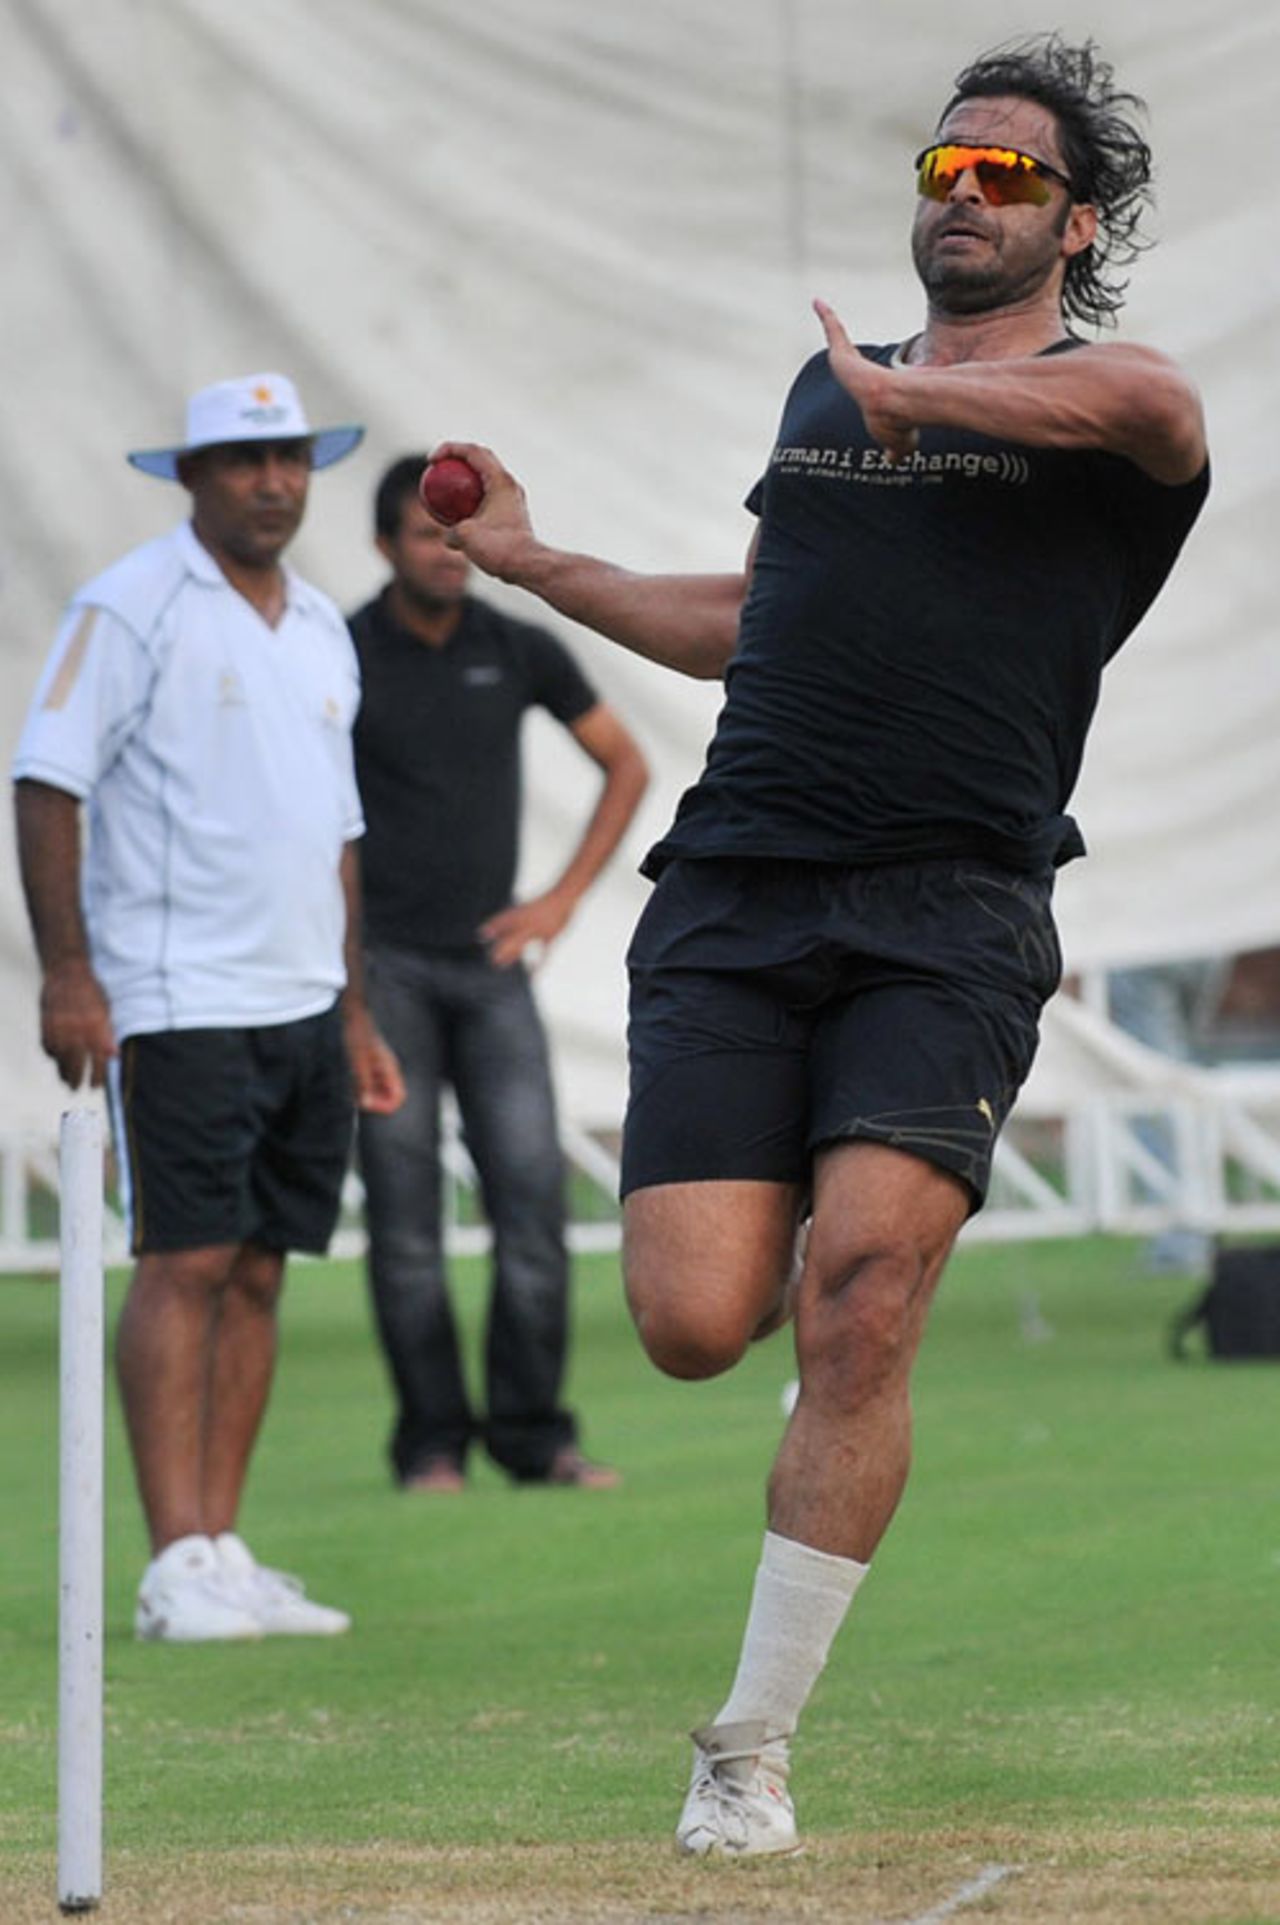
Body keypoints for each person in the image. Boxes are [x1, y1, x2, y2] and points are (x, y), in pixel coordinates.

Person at [423, 34, 1209, 1854]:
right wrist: (543, 566)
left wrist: (915, 401)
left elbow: (1153, 411)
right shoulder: (830, 388)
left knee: (860, 1293)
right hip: (741, 890)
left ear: (1070, 221)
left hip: (952, 901)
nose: (966, 196)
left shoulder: (1113, 404)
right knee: (699, 1323)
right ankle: (821, 1378)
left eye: (1006, 177)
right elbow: (753, 618)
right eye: (946, 171)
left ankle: (748, 1747)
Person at [13, 372, 404, 1643]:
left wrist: (352, 1009)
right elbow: (47, 781)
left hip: (300, 998)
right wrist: (69, 972)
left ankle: (223, 1548)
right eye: (244, 461)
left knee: (260, 1265)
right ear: (191, 475)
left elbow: (337, 833)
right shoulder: (127, 607)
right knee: (183, 1258)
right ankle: (171, 1556)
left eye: (290, 458)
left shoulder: (323, 630)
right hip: (177, 995)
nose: (273, 482)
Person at [348, 455, 649, 1492]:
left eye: (456, 530)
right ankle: (430, 1445)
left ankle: (533, 1436)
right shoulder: (339, 654)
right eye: (425, 532)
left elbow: (627, 761)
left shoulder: (514, 644)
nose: (446, 549)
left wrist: (560, 899)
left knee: (530, 1200)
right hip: (381, 969)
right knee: (404, 1220)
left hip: (489, 967)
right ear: (385, 544)